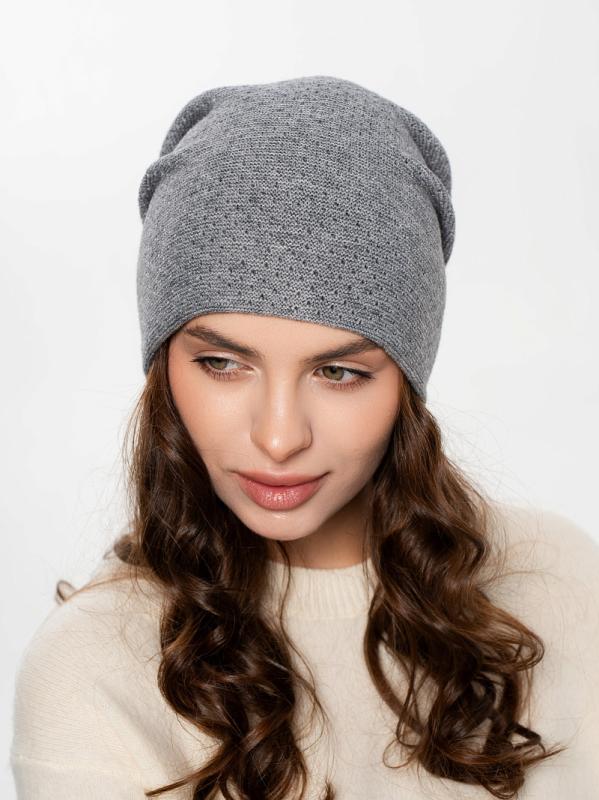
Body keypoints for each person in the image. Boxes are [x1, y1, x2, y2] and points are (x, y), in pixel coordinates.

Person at [10, 75, 599, 800]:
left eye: (338, 372)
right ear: (163, 366)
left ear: (407, 379)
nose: (279, 437)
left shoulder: (561, 583)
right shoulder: (92, 671)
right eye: (222, 364)